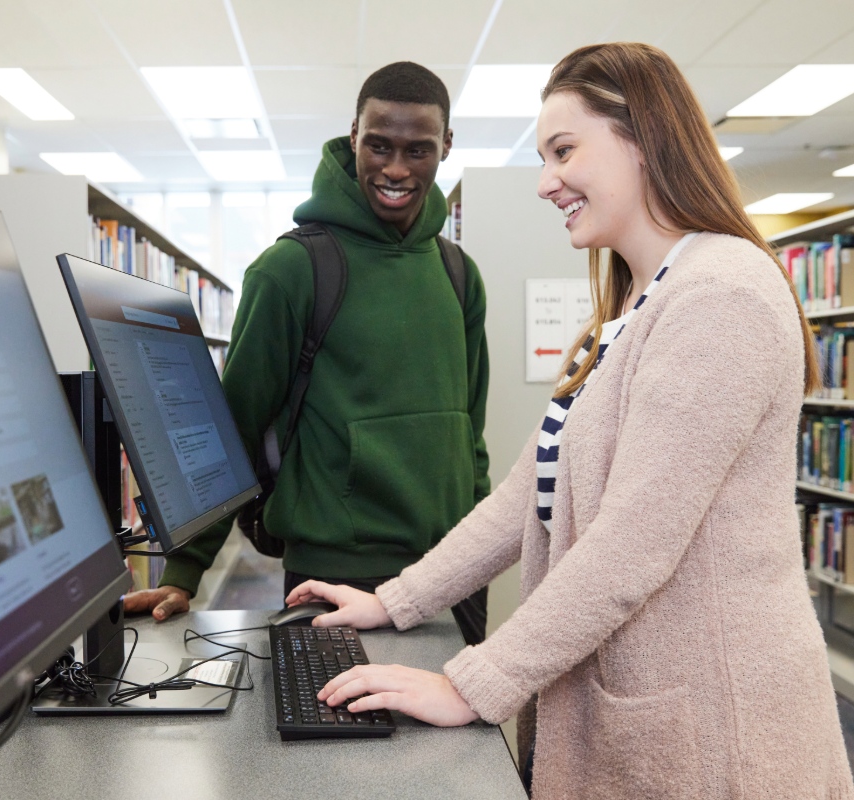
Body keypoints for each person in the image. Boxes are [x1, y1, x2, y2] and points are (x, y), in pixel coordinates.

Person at [287, 42, 854, 799]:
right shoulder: (630, 305)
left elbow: (634, 543)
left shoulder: (722, 297)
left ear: (643, 139)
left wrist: (473, 685)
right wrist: (398, 600)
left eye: (563, 150)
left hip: (718, 732)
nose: (547, 182)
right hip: (642, 705)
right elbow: (526, 493)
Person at [123, 61, 492, 645]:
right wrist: (186, 570)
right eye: (378, 146)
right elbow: (234, 426)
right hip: (337, 569)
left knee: (473, 736)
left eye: (418, 151)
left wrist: (479, 549)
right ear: (353, 136)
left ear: (446, 146)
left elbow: (470, 432)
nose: (396, 169)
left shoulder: (457, 273)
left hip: (452, 570)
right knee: (338, 734)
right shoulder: (290, 271)